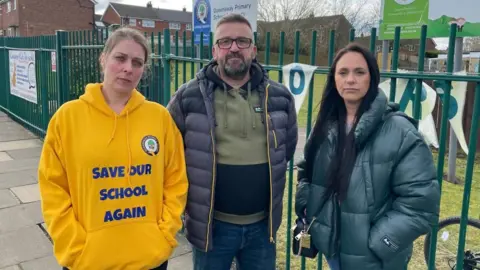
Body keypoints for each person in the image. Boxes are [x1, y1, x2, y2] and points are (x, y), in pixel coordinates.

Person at [38, 27, 188, 270]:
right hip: (89, 260)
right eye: (120, 58)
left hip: (149, 258)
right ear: (103, 58)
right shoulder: (67, 118)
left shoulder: (159, 118)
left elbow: (176, 182)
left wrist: (164, 234)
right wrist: (74, 245)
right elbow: (52, 189)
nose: (128, 68)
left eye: (137, 62)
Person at [167, 13, 298, 270]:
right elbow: (170, 156)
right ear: (215, 50)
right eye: (225, 42)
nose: (234, 48)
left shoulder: (280, 97)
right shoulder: (187, 97)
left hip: (263, 229)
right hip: (212, 230)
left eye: (242, 41)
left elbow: (286, 149)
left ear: (254, 50)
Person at [294, 43, 441, 270]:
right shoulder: (325, 125)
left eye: (359, 72)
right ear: (334, 79)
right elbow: (306, 172)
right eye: (343, 72)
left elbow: (421, 204)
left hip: (375, 259)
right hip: (333, 249)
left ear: (372, 78)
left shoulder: (401, 131)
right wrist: (307, 206)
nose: (350, 79)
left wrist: (379, 241)